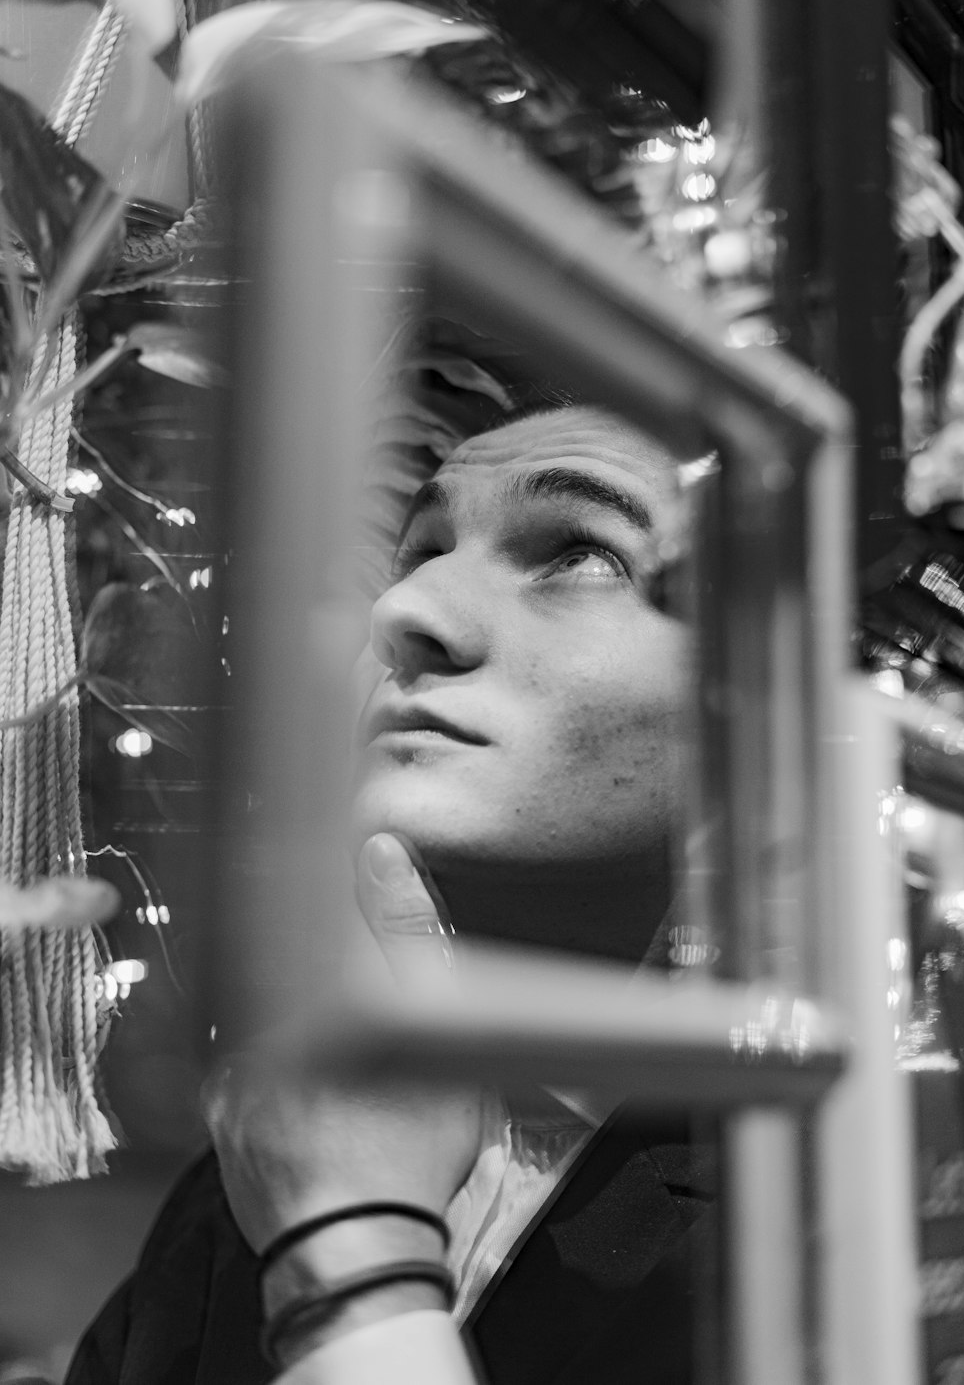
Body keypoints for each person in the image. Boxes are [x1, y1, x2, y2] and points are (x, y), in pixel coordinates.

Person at [67, 404, 717, 1385]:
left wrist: (353, 1263)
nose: (406, 610)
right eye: (420, 552)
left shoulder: (852, 1189)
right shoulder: (264, 1158)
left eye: (581, 555)